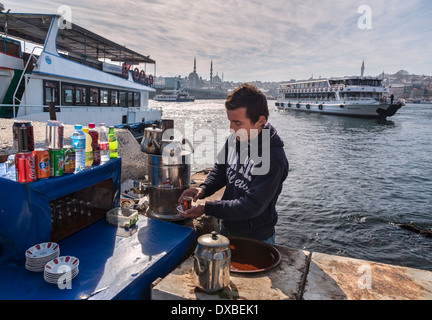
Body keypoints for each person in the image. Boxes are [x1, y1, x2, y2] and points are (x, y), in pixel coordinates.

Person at [178, 83, 289, 245]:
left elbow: (252, 206)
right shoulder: (237, 138)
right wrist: (203, 189)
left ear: (260, 121)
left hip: (256, 238)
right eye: (230, 122)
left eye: (237, 123)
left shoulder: (274, 157)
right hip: (227, 228)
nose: (231, 129)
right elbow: (221, 169)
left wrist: (206, 208)